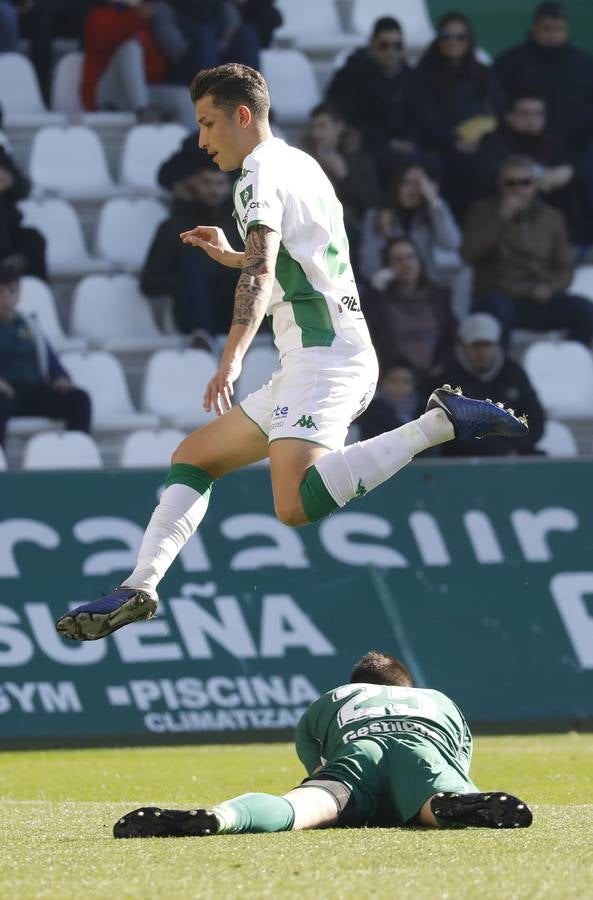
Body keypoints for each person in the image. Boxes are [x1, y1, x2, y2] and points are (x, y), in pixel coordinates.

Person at [55, 63, 528, 643]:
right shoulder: (299, 163)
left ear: (243, 116)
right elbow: (291, 261)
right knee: (196, 456)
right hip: (313, 356)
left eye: (208, 124)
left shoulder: (256, 174)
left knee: (294, 506)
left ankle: (437, 425)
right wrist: (233, 255)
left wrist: (230, 358)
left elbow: (259, 278)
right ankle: (141, 584)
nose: (201, 140)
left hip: (327, 356)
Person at [112, 650, 533, 838]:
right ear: (405, 685)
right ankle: (448, 807)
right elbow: (458, 758)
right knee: (441, 796)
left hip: (358, 752)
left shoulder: (335, 696)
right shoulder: (438, 699)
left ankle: (221, 817)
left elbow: (312, 756)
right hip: (423, 751)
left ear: (358, 687)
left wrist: (327, 786)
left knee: (302, 807)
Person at [462, 155, 593, 346]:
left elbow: (566, 266)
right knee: (499, 313)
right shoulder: (481, 212)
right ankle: (501, 371)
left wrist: (551, 287)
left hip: (538, 297)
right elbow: (468, 254)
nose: (518, 189)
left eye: (525, 183)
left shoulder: (551, 217)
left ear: (535, 185)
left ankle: (570, 364)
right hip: (498, 295)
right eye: (511, 183)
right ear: (500, 184)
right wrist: (502, 219)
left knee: (585, 310)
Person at [411, 11, 505, 216]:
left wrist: (480, 138)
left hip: (483, 142)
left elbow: (498, 110)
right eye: (447, 36)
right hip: (441, 144)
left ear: (468, 40)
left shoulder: (483, 73)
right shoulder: (423, 75)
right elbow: (426, 118)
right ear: (438, 39)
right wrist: (454, 140)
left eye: (460, 37)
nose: (453, 42)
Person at [141, 152, 240, 336]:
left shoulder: (237, 224)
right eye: (207, 183)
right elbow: (150, 282)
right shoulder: (174, 228)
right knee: (193, 265)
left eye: (219, 184)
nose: (213, 190)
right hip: (193, 313)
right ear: (193, 184)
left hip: (236, 310)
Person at [472, 89, 587, 245]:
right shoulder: (493, 142)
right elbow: (490, 176)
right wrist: (536, 181)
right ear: (509, 116)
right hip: (506, 213)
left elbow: (569, 168)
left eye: (537, 114)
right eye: (524, 113)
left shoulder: (553, 143)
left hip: (549, 214)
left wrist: (569, 171)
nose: (531, 119)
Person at [0, 255, 91, 447]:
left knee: (79, 400)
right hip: (5, 394)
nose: (6, 299)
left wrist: (60, 377)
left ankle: (77, 456)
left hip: (33, 390)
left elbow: (49, 358)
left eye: (11, 291)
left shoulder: (29, 325)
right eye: (1, 293)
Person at [359, 164, 472, 319]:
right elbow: (368, 267)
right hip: (391, 280)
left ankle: (455, 328)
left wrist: (434, 202)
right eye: (406, 183)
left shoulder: (432, 213)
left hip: (428, 281)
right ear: (396, 185)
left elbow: (452, 242)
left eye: (418, 184)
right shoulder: (375, 216)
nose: (413, 190)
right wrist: (384, 235)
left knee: (464, 273)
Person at [325, 17, 419, 181]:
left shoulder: (411, 77)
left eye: (397, 46)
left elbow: (420, 115)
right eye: (384, 45)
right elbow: (348, 119)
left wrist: (410, 140)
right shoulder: (351, 75)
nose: (391, 51)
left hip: (404, 145)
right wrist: (388, 143)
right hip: (366, 146)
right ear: (372, 45)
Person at [437, 313, 545, 457]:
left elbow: (535, 420)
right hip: (465, 459)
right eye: (475, 345)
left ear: (496, 345)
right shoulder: (448, 379)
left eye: (487, 345)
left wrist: (514, 448)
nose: (482, 352)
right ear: (463, 346)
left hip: (515, 453)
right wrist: (500, 450)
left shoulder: (514, 373)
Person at [495, 2, 593, 154]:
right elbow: (495, 104)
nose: (553, 35)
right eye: (547, 28)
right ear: (534, 28)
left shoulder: (585, 65)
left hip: (576, 152)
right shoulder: (510, 62)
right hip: (519, 152)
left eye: (559, 29)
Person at [81, 0, 195, 130]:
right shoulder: (98, 16)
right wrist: (138, 14)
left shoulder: (154, 16)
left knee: (183, 97)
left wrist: (151, 15)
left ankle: (199, 148)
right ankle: (142, 111)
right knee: (131, 47)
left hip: (140, 91)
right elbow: (106, 38)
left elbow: (162, 62)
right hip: (104, 94)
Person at [362, 237, 457, 380]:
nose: (406, 264)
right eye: (397, 260)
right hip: (394, 379)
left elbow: (452, 336)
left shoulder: (438, 296)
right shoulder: (378, 300)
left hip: (437, 376)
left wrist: (441, 366)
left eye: (410, 257)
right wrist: (374, 292)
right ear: (388, 267)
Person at [302, 104, 380, 274]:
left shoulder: (358, 160)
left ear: (339, 127)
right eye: (314, 127)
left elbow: (370, 201)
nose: (317, 134)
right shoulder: (303, 157)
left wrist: (344, 176)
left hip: (351, 234)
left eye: (322, 127)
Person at [0, 141, 47, 280]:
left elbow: (23, 188)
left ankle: (37, 295)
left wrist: (10, 181)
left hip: (8, 232)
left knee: (32, 239)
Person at [357, 364, 424, 442]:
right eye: (394, 381)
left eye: (406, 382)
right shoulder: (370, 409)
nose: (400, 387)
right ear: (383, 382)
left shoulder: (424, 407)